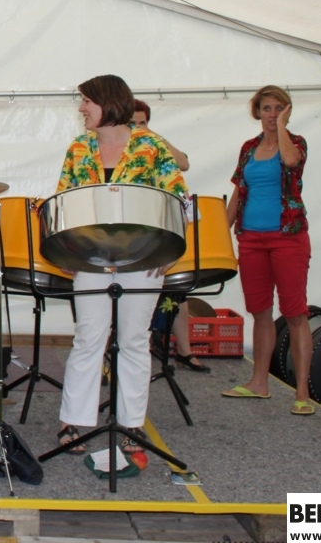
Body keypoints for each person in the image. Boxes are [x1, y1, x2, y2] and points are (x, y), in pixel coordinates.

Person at [55, 75, 187, 455]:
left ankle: (131, 424)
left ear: (108, 102)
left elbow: (180, 200)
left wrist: (169, 252)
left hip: (143, 258)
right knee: (88, 338)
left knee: (133, 340)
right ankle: (74, 422)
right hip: (91, 258)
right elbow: (63, 201)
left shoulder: (150, 146)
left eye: (86, 101)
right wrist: (66, 251)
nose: (81, 108)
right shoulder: (79, 148)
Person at [222, 86, 313, 415]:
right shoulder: (249, 148)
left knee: (294, 313)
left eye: (278, 108)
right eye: (266, 108)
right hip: (251, 239)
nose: (272, 114)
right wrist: (221, 232)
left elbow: (290, 161)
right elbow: (239, 192)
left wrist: (283, 128)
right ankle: (259, 383)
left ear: (287, 111)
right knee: (259, 311)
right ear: (257, 112)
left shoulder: (296, 143)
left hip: (287, 237)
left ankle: (302, 392)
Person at [133, 100, 208, 374]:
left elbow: (183, 163)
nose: (137, 128)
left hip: (161, 225)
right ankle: (112, 357)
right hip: (135, 231)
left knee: (177, 290)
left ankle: (184, 351)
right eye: (132, 123)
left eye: (142, 122)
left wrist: (154, 137)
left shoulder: (156, 146)